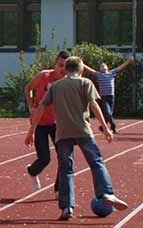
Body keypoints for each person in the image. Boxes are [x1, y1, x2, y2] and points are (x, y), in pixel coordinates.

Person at [41, 56, 131, 221]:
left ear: (65, 69)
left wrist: (31, 130)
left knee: (66, 170)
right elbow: (94, 105)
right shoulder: (85, 83)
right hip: (83, 130)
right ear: (81, 69)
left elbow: (42, 106)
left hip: (62, 133)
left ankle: (66, 207)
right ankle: (105, 192)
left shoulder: (56, 86)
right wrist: (105, 127)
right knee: (96, 162)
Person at [22, 51, 72, 190]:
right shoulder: (44, 76)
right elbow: (28, 88)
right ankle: (32, 171)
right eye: (60, 65)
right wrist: (31, 107)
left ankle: (58, 189)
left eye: (66, 66)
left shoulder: (68, 81)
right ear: (55, 64)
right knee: (45, 158)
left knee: (64, 158)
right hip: (40, 123)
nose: (62, 69)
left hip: (58, 124)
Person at [93, 56, 134, 131]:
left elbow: (120, 67)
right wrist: (81, 64)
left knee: (109, 114)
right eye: (101, 66)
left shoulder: (112, 73)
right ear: (100, 69)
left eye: (104, 65)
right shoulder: (98, 74)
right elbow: (90, 70)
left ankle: (102, 127)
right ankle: (113, 126)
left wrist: (128, 61)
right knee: (108, 112)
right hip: (104, 97)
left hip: (111, 96)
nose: (103, 67)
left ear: (107, 67)